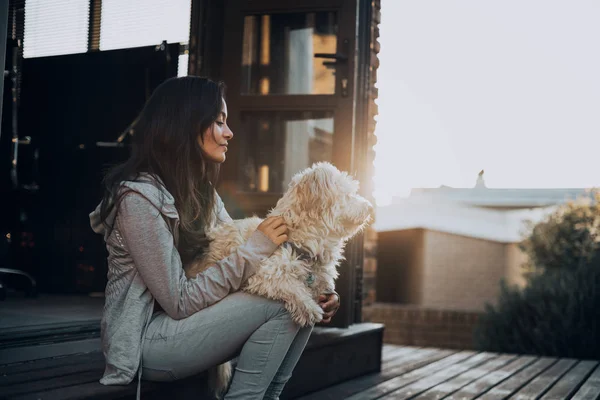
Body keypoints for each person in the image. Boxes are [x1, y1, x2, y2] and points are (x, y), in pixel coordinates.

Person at [89, 76, 340, 399]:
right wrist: (255, 251)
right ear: (186, 124)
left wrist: (318, 288)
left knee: (298, 300)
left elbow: (243, 268)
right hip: (146, 341)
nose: (229, 133)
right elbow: (179, 301)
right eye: (219, 122)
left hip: (192, 328)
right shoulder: (138, 200)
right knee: (286, 303)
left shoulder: (202, 194)